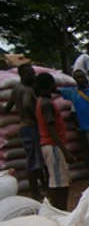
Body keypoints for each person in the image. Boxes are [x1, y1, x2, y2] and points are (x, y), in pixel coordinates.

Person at [2, 64, 45, 199]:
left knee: (33, 158)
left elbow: (7, 108)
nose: (33, 76)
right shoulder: (27, 90)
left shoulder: (16, 89)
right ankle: (36, 191)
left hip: (23, 127)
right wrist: (37, 119)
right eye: (30, 73)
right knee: (35, 160)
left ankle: (40, 187)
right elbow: (27, 105)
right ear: (22, 75)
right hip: (31, 127)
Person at [35, 73, 76, 210]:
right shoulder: (46, 103)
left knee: (57, 180)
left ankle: (58, 210)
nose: (55, 86)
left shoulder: (42, 101)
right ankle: (60, 211)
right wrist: (65, 151)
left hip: (50, 145)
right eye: (53, 83)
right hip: (53, 146)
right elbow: (51, 128)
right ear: (48, 85)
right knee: (59, 183)